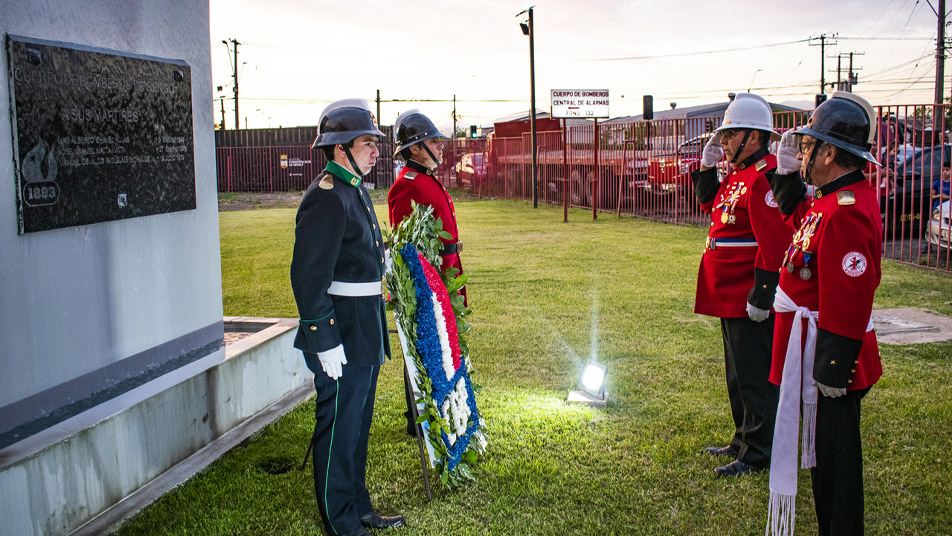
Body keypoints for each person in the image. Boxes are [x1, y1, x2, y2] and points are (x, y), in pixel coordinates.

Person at [764, 91, 884, 536]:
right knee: (824, 463)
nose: (806, 153)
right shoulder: (831, 199)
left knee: (837, 469)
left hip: (834, 359)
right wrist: (786, 176)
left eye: (812, 147)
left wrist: (833, 369)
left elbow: (851, 299)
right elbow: (800, 225)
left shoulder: (847, 209)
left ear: (831, 153)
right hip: (816, 351)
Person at [290, 98, 405, 536]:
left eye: (376, 143)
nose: (377, 150)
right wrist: (324, 338)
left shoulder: (351, 187)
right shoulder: (326, 197)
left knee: (356, 426)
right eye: (367, 143)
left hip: (363, 326)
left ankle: (359, 508)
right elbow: (307, 278)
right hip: (341, 332)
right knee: (338, 430)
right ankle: (340, 522)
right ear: (340, 149)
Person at [691, 93, 790, 477]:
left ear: (753, 136)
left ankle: (758, 450)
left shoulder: (764, 176)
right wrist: (706, 168)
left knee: (754, 374)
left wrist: (763, 295)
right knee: (737, 373)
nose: (725, 142)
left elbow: (774, 242)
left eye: (731, 135)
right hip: (727, 286)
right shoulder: (741, 174)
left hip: (747, 289)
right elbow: (713, 209)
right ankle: (741, 438)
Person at [387, 110, 467, 436]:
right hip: (429, 282)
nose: (441, 145)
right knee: (423, 347)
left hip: (447, 274)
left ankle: (442, 407)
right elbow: (409, 250)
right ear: (416, 148)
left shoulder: (427, 178)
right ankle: (418, 419)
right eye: (434, 141)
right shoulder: (407, 185)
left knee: (444, 346)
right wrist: (425, 290)